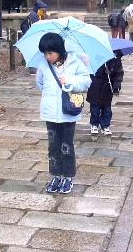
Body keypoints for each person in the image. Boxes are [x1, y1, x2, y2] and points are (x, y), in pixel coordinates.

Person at [36, 33, 91, 194]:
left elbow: (86, 81)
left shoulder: (75, 62)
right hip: (50, 112)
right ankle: (55, 175)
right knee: (53, 147)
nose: (47, 57)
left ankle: (68, 177)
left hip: (68, 112)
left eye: (50, 53)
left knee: (66, 145)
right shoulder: (43, 65)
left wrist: (70, 81)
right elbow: (40, 83)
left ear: (59, 50)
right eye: (45, 53)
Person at [86, 51, 124, 135]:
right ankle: (94, 124)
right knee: (95, 108)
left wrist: (116, 87)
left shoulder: (116, 59)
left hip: (107, 87)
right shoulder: (96, 55)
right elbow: (90, 70)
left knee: (107, 109)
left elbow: (119, 74)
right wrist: (102, 70)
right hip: (95, 85)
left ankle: (105, 126)